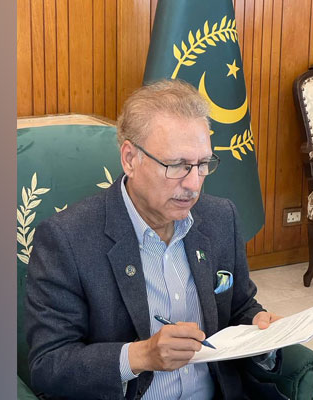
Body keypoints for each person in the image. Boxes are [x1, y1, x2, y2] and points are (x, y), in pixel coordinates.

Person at [26, 79, 282, 399]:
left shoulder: (221, 218)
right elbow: (48, 367)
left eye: (203, 164)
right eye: (176, 165)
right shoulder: (66, 239)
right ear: (130, 159)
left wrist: (259, 325)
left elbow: (240, 306)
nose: (193, 184)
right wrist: (141, 356)